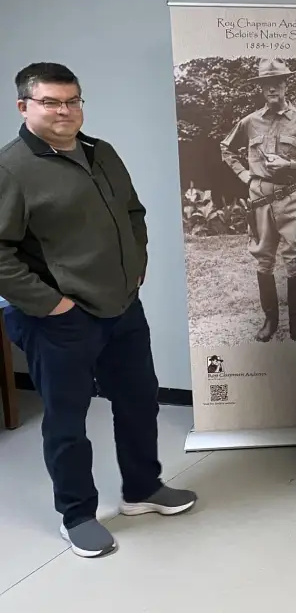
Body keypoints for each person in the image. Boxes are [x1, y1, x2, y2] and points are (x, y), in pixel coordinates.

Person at [0, 63, 197, 558]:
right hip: (60, 319)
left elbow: (133, 212)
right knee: (67, 421)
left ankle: (142, 489)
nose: (64, 111)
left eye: (73, 100)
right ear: (23, 106)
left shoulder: (100, 151)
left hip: (122, 305)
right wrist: (53, 304)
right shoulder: (11, 170)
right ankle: (78, 515)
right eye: (50, 102)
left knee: (139, 400)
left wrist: (137, 265)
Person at [220, 59, 296, 342]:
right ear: (261, 88)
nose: (272, 89)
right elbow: (226, 148)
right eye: (266, 84)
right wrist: (245, 175)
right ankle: (270, 321)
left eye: (277, 83)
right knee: (263, 258)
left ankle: (295, 325)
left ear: (285, 85)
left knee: (295, 260)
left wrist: (289, 164)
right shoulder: (250, 122)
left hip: (294, 198)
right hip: (261, 199)